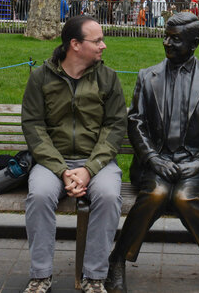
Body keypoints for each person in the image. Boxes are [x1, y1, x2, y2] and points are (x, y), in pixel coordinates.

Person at [106, 12, 199, 293]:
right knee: (156, 193)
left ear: (194, 43)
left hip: (193, 164)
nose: (166, 43)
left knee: (182, 197)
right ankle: (117, 260)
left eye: (175, 39)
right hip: (155, 163)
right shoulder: (147, 76)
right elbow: (136, 122)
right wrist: (152, 158)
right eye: (165, 36)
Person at [21, 16, 127, 293]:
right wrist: (61, 170)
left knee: (107, 195)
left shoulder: (108, 78)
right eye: (97, 41)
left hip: (98, 163)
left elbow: (115, 126)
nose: (103, 46)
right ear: (75, 44)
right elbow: (33, 126)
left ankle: (94, 278)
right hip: (52, 162)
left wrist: (89, 169)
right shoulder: (41, 77)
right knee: (40, 195)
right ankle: (40, 276)